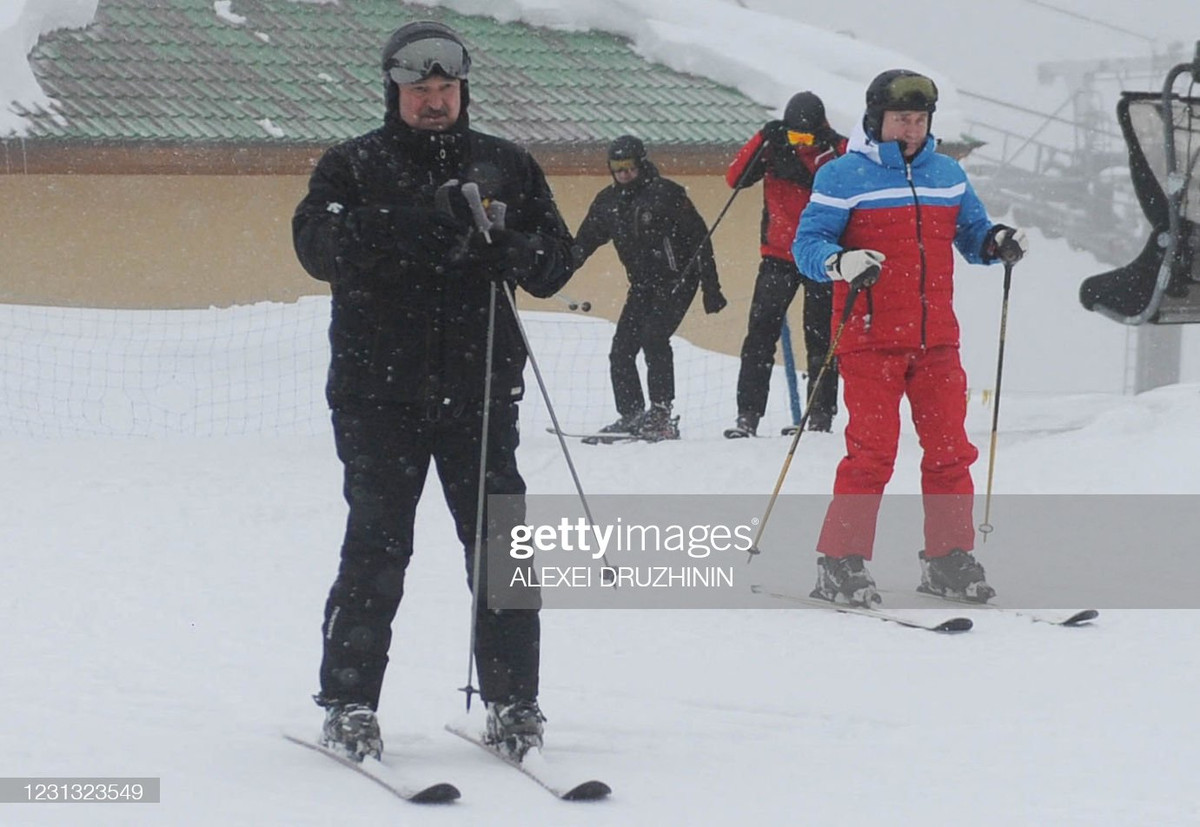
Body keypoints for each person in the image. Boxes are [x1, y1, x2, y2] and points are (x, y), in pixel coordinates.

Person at [292, 20, 575, 763]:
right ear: (394, 89)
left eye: (445, 88)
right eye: (420, 89)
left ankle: (515, 702)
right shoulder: (353, 165)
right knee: (378, 547)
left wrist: (511, 248)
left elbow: (556, 260)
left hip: (480, 393)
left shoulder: (506, 164)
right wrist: (423, 221)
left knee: (501, 548)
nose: (434, 100)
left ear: (462, 89)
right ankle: (349, 701)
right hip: (377, 395)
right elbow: (318, 248)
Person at [792, 69, 1028, 607]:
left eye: (920, 120)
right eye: (902, 119)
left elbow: (971, 234)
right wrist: (840, 261)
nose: (911, 130)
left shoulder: (946, 173)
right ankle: (840, 560)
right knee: (871, 454)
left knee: (950, 452)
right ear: (876, 119)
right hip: (870, 336)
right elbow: (807, 244)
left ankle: (947, 558)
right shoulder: (841, 175)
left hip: (936, 339)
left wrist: (996, 242)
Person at [572, 135, 727, 442]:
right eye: (617, 168)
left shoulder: (666, 194)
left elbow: (699, 239)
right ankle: (631, 414)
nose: (624, 174)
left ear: (641, 164)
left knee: (654, 337)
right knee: (622, 349)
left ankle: (660, 414)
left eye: (629, 167)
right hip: (642, 284)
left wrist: (712, 287)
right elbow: (584, 242)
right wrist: (555, 270)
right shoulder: (608, 202)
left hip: (677, 280)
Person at [724, 92, 848, 439]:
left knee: (821, 338)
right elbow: (735, 178)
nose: (800, 144)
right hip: (777, 256)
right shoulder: (774, 145)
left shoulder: (838, 150)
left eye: (806, 138)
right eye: (794, 137)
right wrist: (764, 136)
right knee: (759, 336)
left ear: (820, 129)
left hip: (824, 258)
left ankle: (819, 416)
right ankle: (747, 415)